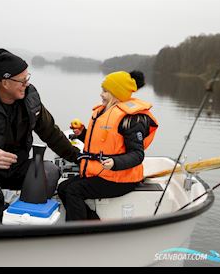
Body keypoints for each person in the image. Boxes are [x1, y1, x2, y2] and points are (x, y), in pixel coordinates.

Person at [0, 48, 80, 223]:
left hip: (17, 168)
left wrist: (79, 158)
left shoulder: (31, 99)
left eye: (27, 78)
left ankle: (28, 221)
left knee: (49, 171)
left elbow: (52, 134)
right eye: (22, 80)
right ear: (5, 82)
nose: (26, 84)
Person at [57, 70, 159, 221]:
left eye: (105, 91)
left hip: (122, 179)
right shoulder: (104, 112)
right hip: (104, 174)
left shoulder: (132, 120)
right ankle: (93, 223)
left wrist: (115, 162)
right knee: (63, 188)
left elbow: (137, 154)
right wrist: (82, 133)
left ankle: (76, 233)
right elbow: (102, 143)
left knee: (73, 190)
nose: (101, 94)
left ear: (115, 94)